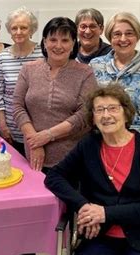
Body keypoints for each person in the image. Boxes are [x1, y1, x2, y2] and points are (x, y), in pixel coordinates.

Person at [45, 84, 140, 255]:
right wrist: (84, 206)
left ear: (126, 113)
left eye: (113, 108)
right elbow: (54, 176)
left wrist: (105, 213)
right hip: (100, 237)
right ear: (93, 118)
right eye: (99, 110)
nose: (106, 115)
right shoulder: (88, 146)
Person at [13, 17, 97, 172]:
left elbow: (84, 114)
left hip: (71, 158)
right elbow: (17, 106)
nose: (58, 46)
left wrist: (47, 135)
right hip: (33, 153)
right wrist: (35, 142)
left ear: (73, 44)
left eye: (65, 40)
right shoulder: (28, 69)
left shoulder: (85, 73)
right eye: (53, 39)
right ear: (45, 42)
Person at [89, 12, 140, 139]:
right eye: (117, 34)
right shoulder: (95, 65)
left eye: (129, 33)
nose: (123, 39)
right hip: (101, 138)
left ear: (137, 37)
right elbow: (89, 107)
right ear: (110, 38)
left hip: (137, 140)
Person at [0, 6, 43, 156]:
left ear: (32, 29)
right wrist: (2, 124)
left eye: (23, 28)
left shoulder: (43, 54)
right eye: (14, 28)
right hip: (10, 129)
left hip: (37, 130)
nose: (18, 32)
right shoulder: (3, 57)